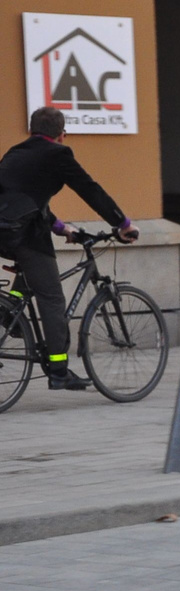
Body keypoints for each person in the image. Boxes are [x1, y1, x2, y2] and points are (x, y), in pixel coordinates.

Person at [0, 107, 138, 390]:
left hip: (6, 231)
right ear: (62, 135)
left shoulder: (16, 153)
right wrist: (122, 222)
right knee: (52, 299)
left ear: (32, 131)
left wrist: (63, 229)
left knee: (30, 273)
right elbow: (90, 189)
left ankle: (10, 312)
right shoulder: (59, 154)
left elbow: (23, 201)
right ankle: (59, 370)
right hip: (23, 234)